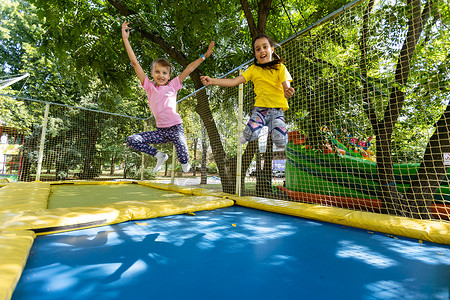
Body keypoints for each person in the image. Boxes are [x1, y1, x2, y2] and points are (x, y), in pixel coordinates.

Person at [122, 21, 214, 173]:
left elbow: (190, 68)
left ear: (169, 75)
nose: (161, 75)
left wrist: (205, 56)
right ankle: (159, 155)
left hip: (176, 129)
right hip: (160, 131)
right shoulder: (148, 86)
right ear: (152, 74)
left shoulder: (173, 84)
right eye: (157, 72)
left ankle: (184, 161)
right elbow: (135, 63)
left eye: (165, 73)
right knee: (132, 140)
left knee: (185, 165)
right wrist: (126, 39)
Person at [201, 34, 295, 149]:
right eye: (258, 49)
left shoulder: (280, 67)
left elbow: (286, 85)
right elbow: (234, 81)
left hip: (277, 112)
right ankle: (247, 135)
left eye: (265, 47)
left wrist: (287, 90)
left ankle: (275, 133)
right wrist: (212, 81)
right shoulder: (253, 70)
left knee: (281, 142)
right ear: (255, 55)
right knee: (251, 134)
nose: (262, 51)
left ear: (272, 49)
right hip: (261, 110)